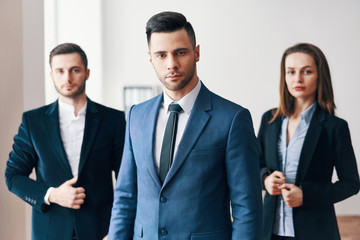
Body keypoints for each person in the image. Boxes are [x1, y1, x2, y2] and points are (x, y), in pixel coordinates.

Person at [106, 11, 262, 240]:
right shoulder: (136, 116)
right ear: (150, 59)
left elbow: (247, 207)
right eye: (161, 55)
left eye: (180, 52)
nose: (171, 64)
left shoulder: (232, 119)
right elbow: (125, 197)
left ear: (196, 52)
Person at [5, 43, 126, 240]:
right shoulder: (33, 122)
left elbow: (127, 180)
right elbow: (13, 176)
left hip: (101, 232)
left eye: (74, 70)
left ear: (87, 73)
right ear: (51, 75)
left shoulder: (113, 120)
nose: (67, 78)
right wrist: (52, 194)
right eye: (60, 71)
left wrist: (116, 231)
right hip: (50, 232)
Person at [258, 43, 360, 240]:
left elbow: (351, 184)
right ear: (284, 76)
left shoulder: (334, 126)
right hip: (269, 231)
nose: (297, 78)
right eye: (291, 72)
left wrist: (306, 195)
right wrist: (265, 179)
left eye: (306, 71)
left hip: (315, 231)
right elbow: (253, 165)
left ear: (320, 75)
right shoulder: (269, 120)